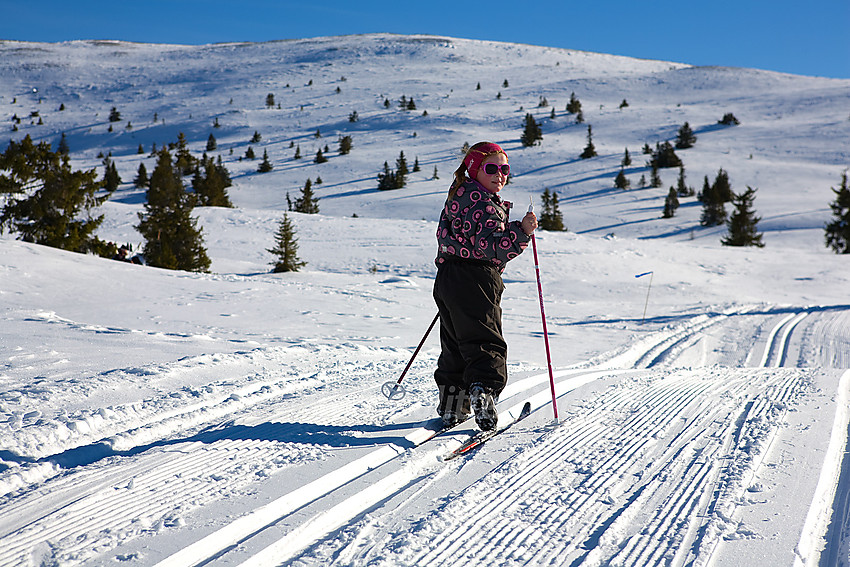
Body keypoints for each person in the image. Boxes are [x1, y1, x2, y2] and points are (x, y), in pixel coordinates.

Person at [433, 141, 537, 431]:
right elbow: (492, 248)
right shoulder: (484, 204)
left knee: (454, 343)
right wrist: (522, 231)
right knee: (484, 340)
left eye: (505, 169)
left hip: (448, 277)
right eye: (491, 168)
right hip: (478, 278)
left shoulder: (458, 195)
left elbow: (450, 235)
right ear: (474, 168)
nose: (500, 175)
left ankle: (453, 406)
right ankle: (483, 392)